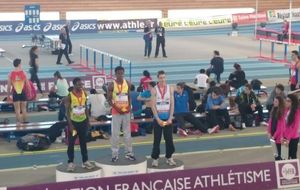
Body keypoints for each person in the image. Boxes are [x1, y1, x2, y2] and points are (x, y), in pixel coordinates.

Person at [65, 77, 95, 172]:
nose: (80, 86)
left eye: (81, 84)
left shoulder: (84, 93)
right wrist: (70, 125)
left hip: (83, 122)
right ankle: (70, 162)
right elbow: (67, 112)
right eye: (78, 84)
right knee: (71, 143)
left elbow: (85, 107)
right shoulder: (69, 96)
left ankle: (85, 161)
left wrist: (88, 121)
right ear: (74, 85)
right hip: (74, 124)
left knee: (83, 142)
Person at [107, 66, 136, 162]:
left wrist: (129, 108)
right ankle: (114, 154)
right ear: (115, 74)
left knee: (127, 133)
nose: (121, 75)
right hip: (116, 112)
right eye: (119, 73)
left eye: (122, 73)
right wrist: (117, 109)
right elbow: (109, 99)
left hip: (126, 111)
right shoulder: (112, 85)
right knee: (115, 134)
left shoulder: (127, 83)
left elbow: (129, 97)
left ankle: (129, 153)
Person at [151, 70, 176, 167]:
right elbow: (153, 106)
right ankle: (155, 158)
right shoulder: (154, 89)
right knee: (157, 140)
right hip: (158, 120)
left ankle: (169, 157)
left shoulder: (170, 88)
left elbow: (172, 104)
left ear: (166, 78)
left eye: (164, 77)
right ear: (158, 78)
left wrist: (170, 118)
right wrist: (158, 119)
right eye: (160, 78)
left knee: (169, 139)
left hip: (167, 120)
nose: (162, 80)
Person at [7, 58, 30, 124]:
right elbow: (28, 85)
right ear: (19, 64)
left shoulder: (10, 74)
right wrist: (29, 93)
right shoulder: (23, 73)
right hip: (23, 92)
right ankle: (25, 122)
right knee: (24, 109)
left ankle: (18, 123)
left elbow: (9, 86)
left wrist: (8, 96)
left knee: (17, 109)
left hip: (15, 92)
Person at [267, 96, 286, 160]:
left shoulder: (282, 112)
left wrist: (274, 136)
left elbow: (280, 128)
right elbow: (270, 122)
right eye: (274, 101)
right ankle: (277, 167)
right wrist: (269, 132)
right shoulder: (273, 110)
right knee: (276, 155)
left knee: (281, 156)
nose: (274, 103)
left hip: (279, 138)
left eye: (276, 101)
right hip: (273, 136)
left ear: (280, 103)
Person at [283, 94, 300, 159]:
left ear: (293, 102)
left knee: (293, 156)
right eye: (286, 100)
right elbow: (284, 125)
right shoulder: (286, 110)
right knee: (284, 156)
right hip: (285, 137)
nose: (286, 102)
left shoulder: (297, 111)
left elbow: (295, 128)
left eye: (288, 101)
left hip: (293, 137)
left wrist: (288, 139)